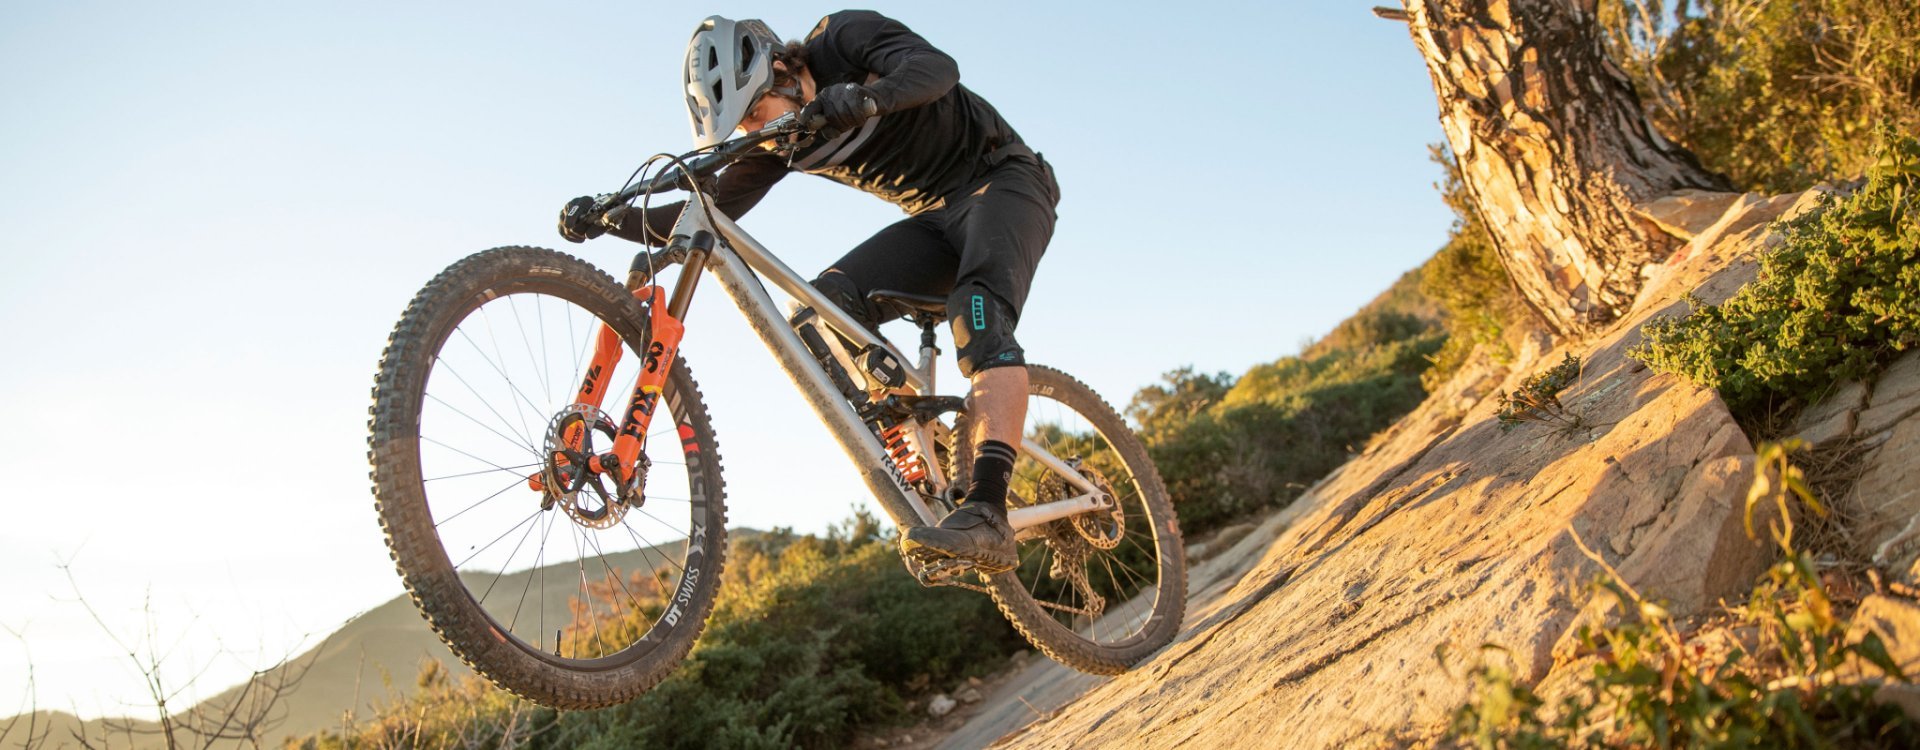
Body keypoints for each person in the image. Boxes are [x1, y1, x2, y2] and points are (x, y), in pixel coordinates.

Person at [556, 11, 1059, 573]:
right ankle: (921, 440)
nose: (756, 134)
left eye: (753, 113)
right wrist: (609, 218)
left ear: (780, 71)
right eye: (743, 129)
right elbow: (701, 210)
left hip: (1004, 180)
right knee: (820, 311)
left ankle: (989, 512)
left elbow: (937, 69)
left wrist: (868, 98)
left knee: (979, 316)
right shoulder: (777, 144)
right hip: (932, 218)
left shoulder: (842, 38)